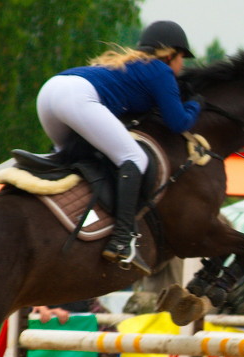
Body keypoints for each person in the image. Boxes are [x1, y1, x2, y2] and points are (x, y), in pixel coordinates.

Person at [32, 20, 202, 273]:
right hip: (76, 96)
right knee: (135, 158)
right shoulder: (160, 70)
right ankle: (122, 239)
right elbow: (178, 122)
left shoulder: (132, 66)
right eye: (182, 59)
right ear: (170, 55)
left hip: (50, 93)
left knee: (70, 163)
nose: (182, 66)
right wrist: (197, 104)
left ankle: (62, 222)